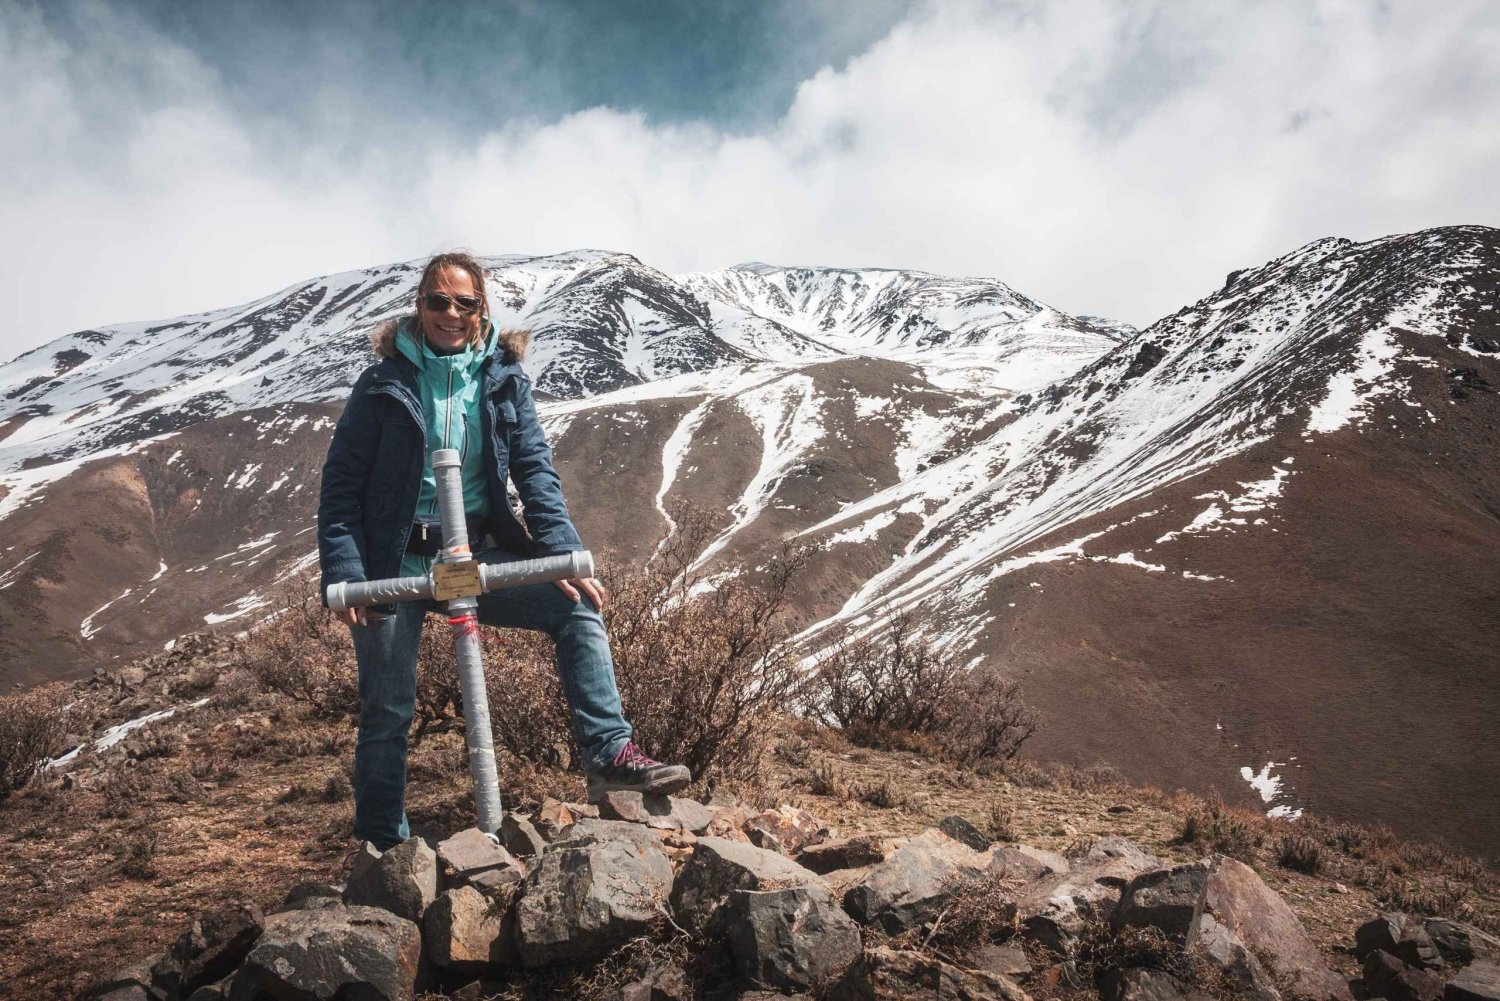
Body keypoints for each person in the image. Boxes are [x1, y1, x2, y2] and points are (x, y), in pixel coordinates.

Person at [317, 251, 689, 850]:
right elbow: (341, 484)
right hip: (396, 567)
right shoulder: (383, 382)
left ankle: (611, 753)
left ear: (481, 309)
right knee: (387, 710)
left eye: (464, 303)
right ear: (419, 305)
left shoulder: (502, 378)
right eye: (438, 300)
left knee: (575, 610)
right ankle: (384, 848)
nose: (450, 312)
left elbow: (536, 472)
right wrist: (343, 569)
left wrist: (563, 553)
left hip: (472, 560)